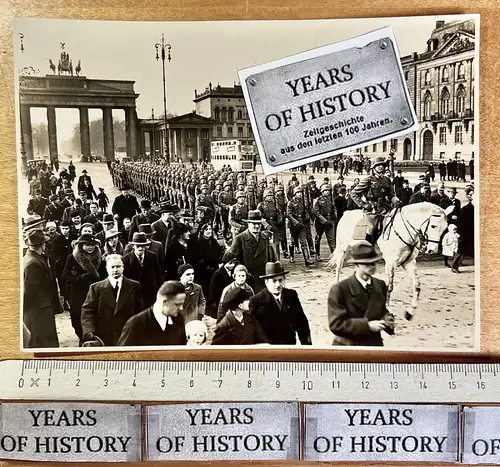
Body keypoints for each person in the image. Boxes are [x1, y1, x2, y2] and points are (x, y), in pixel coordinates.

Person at [327, 241, 395, 346]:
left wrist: (387, 318)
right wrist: (367, 326)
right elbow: (336, 324)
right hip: (348, 348)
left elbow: (380, 310)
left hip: (374, 346)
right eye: (367, 263)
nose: (372, 266)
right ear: (356, 265)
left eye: (375, 262)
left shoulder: (380, 285)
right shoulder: (340, 289)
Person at [81, 254, 144, 346]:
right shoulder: (96, 288)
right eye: (112, 267)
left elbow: (140, 311)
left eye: (118, 266)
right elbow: (87, 311)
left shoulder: (134, 286)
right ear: (107, 268)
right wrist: (89, 330)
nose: (115, 270)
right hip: (104, 335)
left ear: (123, 267)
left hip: (127, 334)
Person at [250, 261, 312, 345]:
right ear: (266, 282)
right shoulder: (256, 301)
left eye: (280, 280)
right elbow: (252, 330)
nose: (278, 284)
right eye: (274, 281)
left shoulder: (291, 295)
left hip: (289, 345)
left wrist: (306, 346)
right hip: (268, 349)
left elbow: (301, 322)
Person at [61, 234, 104, 343]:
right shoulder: (72, 257)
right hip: (78, 293)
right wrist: (80, 278)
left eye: (93, 245)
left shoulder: (99, 257)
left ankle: (93, 340)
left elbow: (104, 275)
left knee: (95, 318)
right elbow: (65, 277)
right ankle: (82, 339)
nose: (90, 247)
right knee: (77, 319)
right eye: (87, 245)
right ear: (81, 245)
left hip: (96, 293)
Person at [117, 281, 187, 346]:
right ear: (164, 302)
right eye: (177, 304)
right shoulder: (135, 324)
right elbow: (122, 356)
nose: (181, 308)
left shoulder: (179, 319)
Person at [350, 156, 401, 244]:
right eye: (378, 165)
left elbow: (391, 194)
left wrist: (396, 201)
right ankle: (367, 247)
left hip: (385, 207)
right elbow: (353, 193)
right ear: (373, 168)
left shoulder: (387, 179)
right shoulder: (368, 180)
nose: (381, 167)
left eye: (382, 165)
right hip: (371, 209)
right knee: (371, 228)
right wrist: (363, 204)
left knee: (395, 223)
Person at [23, 229, 60, 348]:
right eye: (44, 243)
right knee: (43, 342)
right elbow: (28, 291)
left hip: (41, 307)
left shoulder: (35, 257)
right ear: (41, 245)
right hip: (38, 310)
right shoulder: (33, 263)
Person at [229, 210, 277, 292]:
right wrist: (243, 274)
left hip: (263, 280)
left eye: (259, 224)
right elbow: (233, 259)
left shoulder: (265, 237)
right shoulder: (240, 238)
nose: (257, 226)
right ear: (248, 224)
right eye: (254, 224)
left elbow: (270, 257)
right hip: (249, 281)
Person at [123, 232, 163, 308]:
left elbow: (158, 274)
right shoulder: (126, 260)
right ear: (133, 246)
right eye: (138, 246)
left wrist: (158, 290)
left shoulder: (152, 256)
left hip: (151, 294)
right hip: (135, 295)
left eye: (142, 246)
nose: (140, 248)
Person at [206, 251, 239, 319]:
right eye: (230, 263)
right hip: (220, 300)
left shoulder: (234, 272)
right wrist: (213, 302)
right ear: (224, 263)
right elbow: (212, 289)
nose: (232, 265)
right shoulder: (218, 274)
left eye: (233, 263)